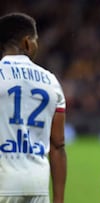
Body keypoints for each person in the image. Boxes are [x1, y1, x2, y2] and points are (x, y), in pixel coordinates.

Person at [0, 12, 66, 203]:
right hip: (38, 185)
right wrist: (59, 199)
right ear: (27, 43)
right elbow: (58, 145)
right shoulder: (51, 81)